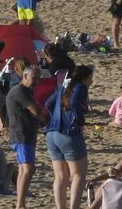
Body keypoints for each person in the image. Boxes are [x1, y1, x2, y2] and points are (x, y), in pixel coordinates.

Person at [46, 65, 92, 209]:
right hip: (68, 134)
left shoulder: (63, 87)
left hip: (51, 134)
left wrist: (55, 117)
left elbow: (48, 104)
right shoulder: (81, 88)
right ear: (85, 78)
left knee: (60, 176)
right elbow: (73, 103)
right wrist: (79, 120)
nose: (91, 82)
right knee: (78, 174)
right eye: (91, 78)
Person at [6, 65, 46, 209]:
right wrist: (43, 117)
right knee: (27, 169)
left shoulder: (25, 91)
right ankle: (20, 204)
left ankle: (20, 201)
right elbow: (35, 110)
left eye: (38, 79)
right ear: (25, 76)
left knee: (26, 169)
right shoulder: (19, 91)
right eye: (34, 78)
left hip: (25, 135)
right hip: (21, 135)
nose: (36, 82)